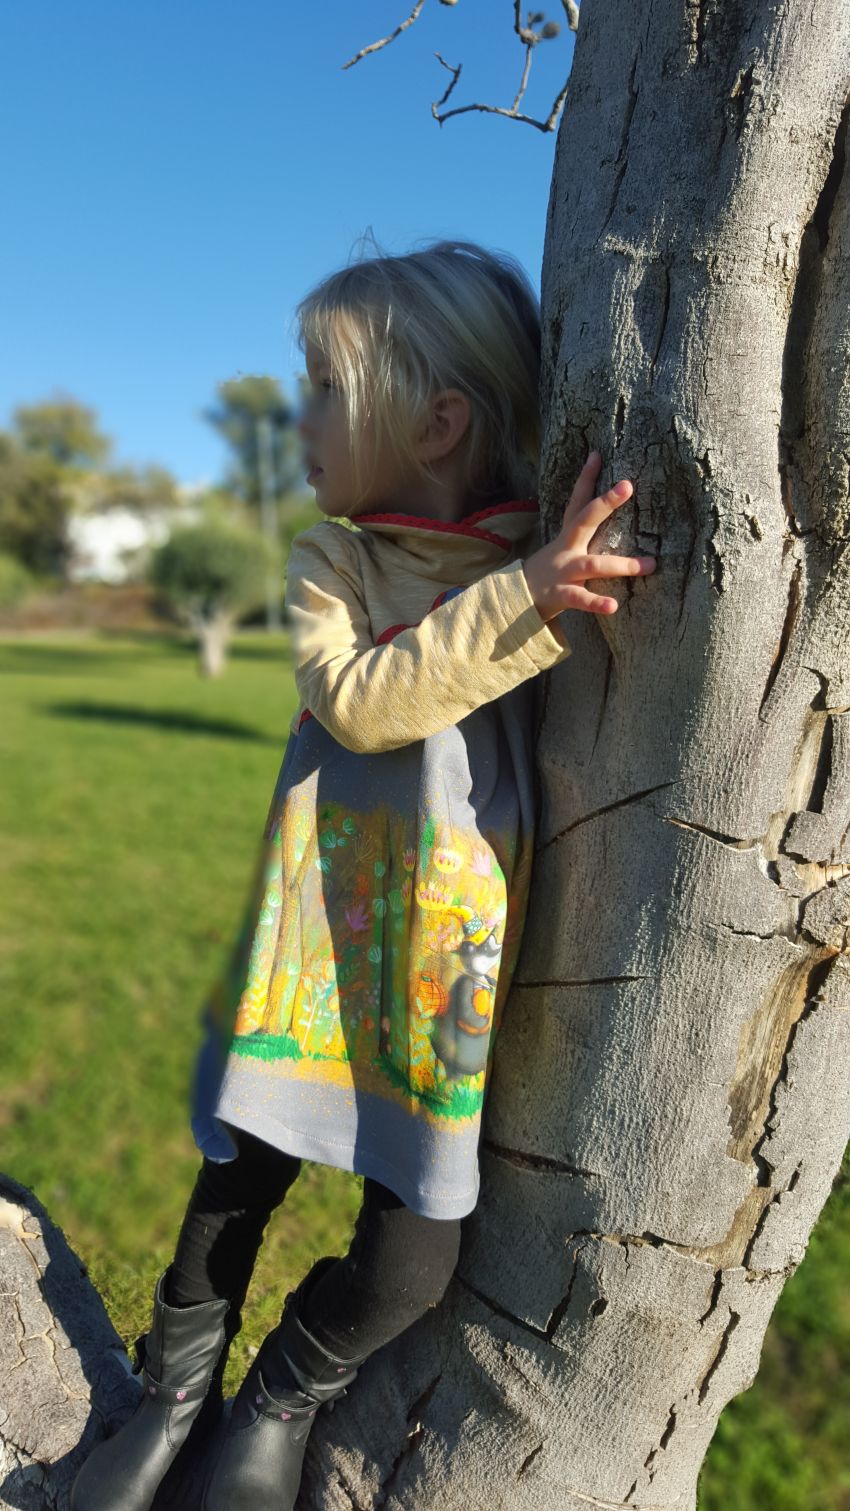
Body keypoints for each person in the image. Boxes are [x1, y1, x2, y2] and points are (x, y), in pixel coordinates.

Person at [70, 240, 656, 1511]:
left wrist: (536, 582)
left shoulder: (531, 563)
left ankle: (281, 1393)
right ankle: (174, 1397)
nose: (302, 418)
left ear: (438, 422)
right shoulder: (336, 568)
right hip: (318, 947)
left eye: (325, 388)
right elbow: (363, 701)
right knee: (240, 1180)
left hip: (442, 975)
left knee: (415, 1254)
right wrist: (529, 596)